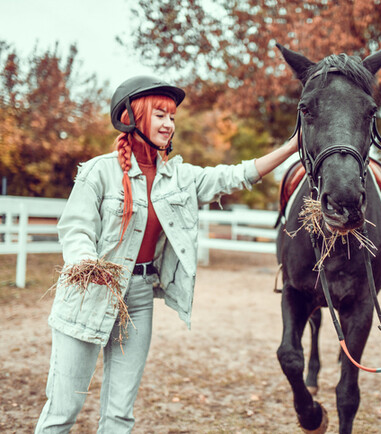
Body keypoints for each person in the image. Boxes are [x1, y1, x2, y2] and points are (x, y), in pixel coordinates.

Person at [35, 76, 299, 433]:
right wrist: (84, 259)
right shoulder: (99, 171)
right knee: (62, 411)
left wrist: (293, 146)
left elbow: (235, 176)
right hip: (89, 292)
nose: (168, 124)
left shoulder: (179, 177)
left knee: (119, 415)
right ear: (133, 117)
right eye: (160, 115)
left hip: (140, 297)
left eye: (172, 117)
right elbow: (76, 228)